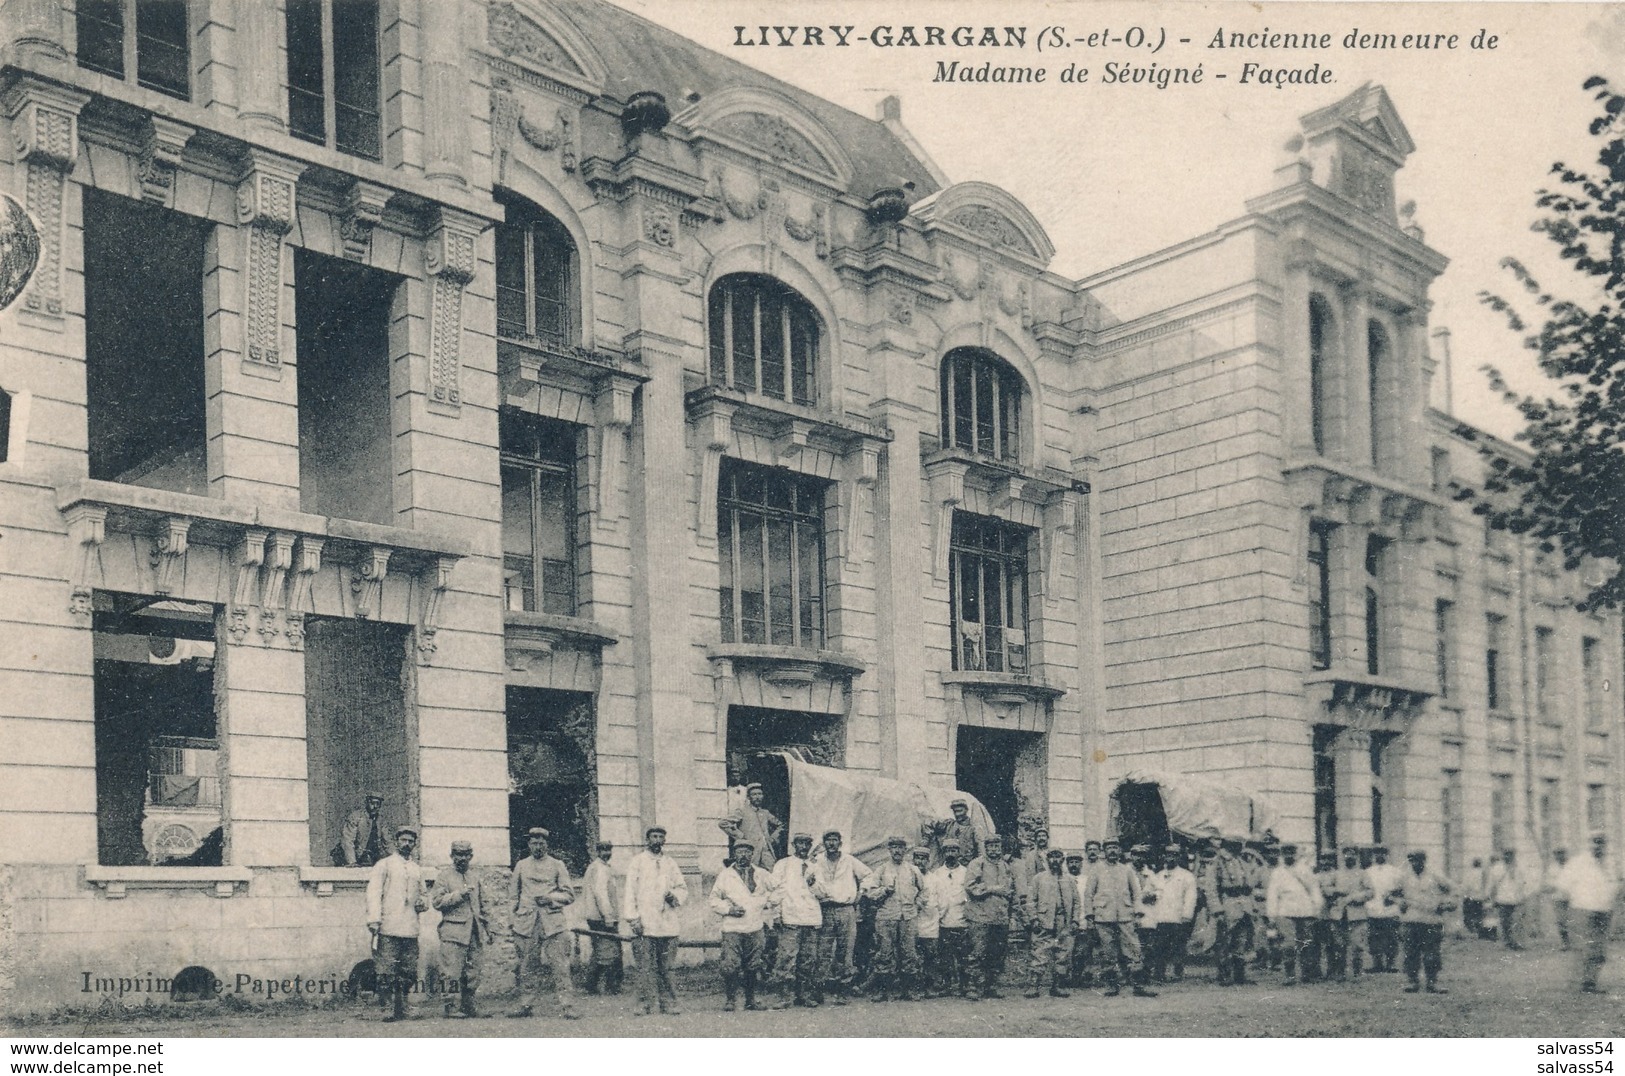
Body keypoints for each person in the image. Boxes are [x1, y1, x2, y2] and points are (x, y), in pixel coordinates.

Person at [507, 826, 577, 1020]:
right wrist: (512, 920)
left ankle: (567, 1005)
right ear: (529, 844)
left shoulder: (557, 865)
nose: (538, 846)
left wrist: (551, 898)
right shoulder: (521, 865)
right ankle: (525, 1004)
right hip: (527, 922)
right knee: (527, 966)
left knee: (560, 966)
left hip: (553, 922)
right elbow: (513, 896)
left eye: (541, 843)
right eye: (534, 842)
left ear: (547, 844)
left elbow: (569, 895)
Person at [365, 824, 428, 1022]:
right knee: (386, 970)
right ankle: (387, 1008)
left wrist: (422, 903)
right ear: (396, 842)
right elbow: (373, 893)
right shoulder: (384, 865)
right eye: (403, 840)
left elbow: (424, 895)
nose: (407, 844)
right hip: (388, 926)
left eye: (411, 841)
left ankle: (404, 1007)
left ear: (415, 844)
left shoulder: (417, 869)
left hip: (410, 928)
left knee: (408, 970)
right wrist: (374, 919)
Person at [623, 824, 688, 1015]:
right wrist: (633, 919)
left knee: (666, 967)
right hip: (644, 923)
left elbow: (682, 888)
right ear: (647, 839)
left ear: (664, 841)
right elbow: (629, 892)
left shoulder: (670, 863)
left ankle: (668, 1002)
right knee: (645, 967)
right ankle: (644, 1003)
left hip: (667, 924)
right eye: (654, 837)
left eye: (660, 837)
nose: (657, 841)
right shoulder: (638, 862)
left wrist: (674, 897)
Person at [1084, 839, 1155, 997]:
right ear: (1104, 851)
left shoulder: (1126, 870)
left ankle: (1138, 985)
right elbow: (1088, 894)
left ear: (1120, 850)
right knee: (1108, 953)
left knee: (1134, 950)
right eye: (1109, 848)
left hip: (1125, 916)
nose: (1112, 851)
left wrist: (1137, 914)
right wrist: (1090, 916)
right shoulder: (1096, 870)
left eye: (1115, 847)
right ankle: (1111, 985)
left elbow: (1136, 894)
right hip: (1103, 917)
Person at [710, 837, 772, 1011]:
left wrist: (766, 903)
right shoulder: (725, 875)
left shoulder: (762, 874)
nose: (743, 855)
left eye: (747, 851)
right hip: (733, 928)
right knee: (730, 965)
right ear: (734, 854)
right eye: (739, 851)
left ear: (752, 854)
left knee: (753, 964)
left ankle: (750, 1000)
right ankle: (730, 1000)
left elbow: (777, 890)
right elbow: (713, 899)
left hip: (755, 926)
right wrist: (728, 910)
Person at [809, 829, 871, 1004]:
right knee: (823, 951)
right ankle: (818, 990)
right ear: (824, 843)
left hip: (846, 910)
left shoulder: (849, 860)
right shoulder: (817, 861)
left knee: (845, 950)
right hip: (825, 909)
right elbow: (808, 877)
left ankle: (842, 990)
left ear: (840, 843)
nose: (831, 843)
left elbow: (868, 875)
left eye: (834, 840)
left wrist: (861, 893)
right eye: (828, 840)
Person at [431, 839, 489, 1018]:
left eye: (465, 855)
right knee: (451, 971)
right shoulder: (444, 876)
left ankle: (469, 1004)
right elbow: (437, 902)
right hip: (453, 931)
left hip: (474, 931)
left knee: (473, 971)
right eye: (458, 855)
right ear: (452, 856)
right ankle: (451, 1007)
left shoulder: (475, 876)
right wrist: (458, 895)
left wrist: (489, 928)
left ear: (471, 856)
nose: (462, 858)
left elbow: (484, 904)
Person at [1556, 835, 1621, 994]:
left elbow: (1616, 884)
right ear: (1588, 844)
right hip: (1582, 910)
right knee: (1583, 948)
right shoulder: (1578, 863)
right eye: (1595, 843)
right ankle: (1578, 982)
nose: (1598, 847)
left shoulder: (1610, 864)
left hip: (1604, 911)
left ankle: (1590, 982)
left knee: (1599, 949)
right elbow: (1562, 886)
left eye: (1601, 843)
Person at [864, 835, 926, 1001]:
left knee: (910, 954)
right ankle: (883, 990)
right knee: (884, 953)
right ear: (889, 850)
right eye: (894, 847)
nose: (897, 850)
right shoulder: (881, 870)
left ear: (905, 850)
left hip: (908, 917)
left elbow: (924, 891)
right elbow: (870, 893)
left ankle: (909, 990)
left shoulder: (913, 870)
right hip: (886, 917)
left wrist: (916, 905)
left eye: (900, 847)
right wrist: (884, 890)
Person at [767, 832, 822, 1008]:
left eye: (807, 843)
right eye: (800, 843)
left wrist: (813, 883)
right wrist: (775, 914)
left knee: (808, 959)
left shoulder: (817, 866)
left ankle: (803, 995)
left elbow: (823, 893)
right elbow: (774, 889)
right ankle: (784, 997)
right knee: (786, 959)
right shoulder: (783, 864)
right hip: (790, 917)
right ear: (794, 845)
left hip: (811, 918)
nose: (804, 847)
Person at [963, 833, 1015, 1000]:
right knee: (977, 953)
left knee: (997, 953)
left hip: (999, 917)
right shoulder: (977, 864)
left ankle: (991, 986)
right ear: (985, 848)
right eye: (991, 846)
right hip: (980, 916)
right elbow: (971, 887)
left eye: (997, 846)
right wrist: (993, 889)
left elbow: (1008, 890)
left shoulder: (1005, 866)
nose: (994, 849)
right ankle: (973, 987)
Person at [1396, 850, 1456, 994]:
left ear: (1424, 860)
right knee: (1410, 952)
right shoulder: (1404, 876)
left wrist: (1446, 904)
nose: (1415, 864)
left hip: (1431, 920)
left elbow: (1453, 890)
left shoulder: (1435, 875)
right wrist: (1400, 903)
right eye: (1412, 861)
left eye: (1418, 860)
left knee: (1432, 953)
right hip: (1411, 919)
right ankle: (1412, 981)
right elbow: (1393, 894)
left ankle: (1432, 982)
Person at [1265, 843, 1322, 985]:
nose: (1289, 855)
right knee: (1288, 945)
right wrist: (1271, 915)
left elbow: (1314, 889)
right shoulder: (1277, 872)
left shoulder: (1305, 870)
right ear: (1282, 855)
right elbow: (1272, 895)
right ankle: (1289, 975)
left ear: (1296, 854)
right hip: (1285, 912)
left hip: (1305, 911)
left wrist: (1317, 908)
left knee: (1305, 944)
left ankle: (1306, 974)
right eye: (1286, 853)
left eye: (1291, 852)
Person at [1024, 848, 1075, 998]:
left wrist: (1075, 921)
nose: (1055, 861)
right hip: (1043, 921)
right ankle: (1033, 986)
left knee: (1063, 954)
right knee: (1039, 953)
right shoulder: (1038, 878)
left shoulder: (1069, 880)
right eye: (1051, 857)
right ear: (1047, 860)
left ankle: (1057, 986)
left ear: (1062, 860)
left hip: (1063, 922)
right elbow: (1030, 901)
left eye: (1058, 857)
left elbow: (1077, 902)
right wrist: (1033, 919)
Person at [1323, 846, 1373, 980]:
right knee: (1339, 945)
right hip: (1339, 914)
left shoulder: (1363, 874)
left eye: (1352, 854)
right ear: (1343, 856)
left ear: (1356, 856)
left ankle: (1357, 972)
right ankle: (1340, 972)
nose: (1349, 857)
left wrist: (1357, 897)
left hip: (1357, 915)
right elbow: (1326, 889)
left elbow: (1370, 892)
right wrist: (1337, 891)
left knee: (1357, 945)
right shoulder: (1336, 873)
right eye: (1346, 854)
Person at [1148, 844, 1196, 983]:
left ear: (1179, 857)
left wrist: (1187, 915)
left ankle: (1177, 972)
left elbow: (1190, 897)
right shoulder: (1158, 875)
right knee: (1160, 946)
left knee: (1178, 945)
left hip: (1178, 916)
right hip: (1161, 916)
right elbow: (1151, 892)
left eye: (1174, 854)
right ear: (1164, 856)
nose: (1170, 857)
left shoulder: (1186, 876)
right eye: (1168, 854)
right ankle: (1159, 973)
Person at [581, 839, 623, 995]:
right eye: (603, 850)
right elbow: (601, 894)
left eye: (609, 850)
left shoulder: (604, 868)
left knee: (601, 951)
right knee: (610, 952)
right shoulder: (599, 868)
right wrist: (608, 916)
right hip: (601, 918)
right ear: (597, 852)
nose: (607, 853)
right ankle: (611, 986)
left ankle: (591, 984)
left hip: (599, 916)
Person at [930, 839, 972, 998]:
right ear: (943, 853)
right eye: (947, 851)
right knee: (945, 957)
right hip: (943, 921)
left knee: (963, 956)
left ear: (959, 852)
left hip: (961, 920)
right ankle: (946, 985)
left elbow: (969, 896)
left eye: (954, 850)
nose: (951, 854)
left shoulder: (966, 872)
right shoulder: (937, 874)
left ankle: (964, 986)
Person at [1212, 837, 1256, 986]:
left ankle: (1239, 975)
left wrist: (1252, 905)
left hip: (1244, 904)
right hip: (1228, 904)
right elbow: (1211, 889)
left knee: (1242, 940)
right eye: (1235, 844)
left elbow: (1249, 885)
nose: (1239, 847)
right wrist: (1217, 910)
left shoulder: (1242, 861)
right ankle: (1224, 974)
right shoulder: (1218, 862)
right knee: (1225, 941)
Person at [719, 782, 782, 869]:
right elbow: (723, 823)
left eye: (759, 794)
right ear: (749, 797)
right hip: (750, 850)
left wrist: (773, 838)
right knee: (750, 872)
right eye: (754, 794)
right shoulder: (742, 811)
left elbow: (780, 825)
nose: (757, 797)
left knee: (772, 873)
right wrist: (740, 836)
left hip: (766, 850)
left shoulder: (765, 813)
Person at [911, 846, 946, 997]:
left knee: (930, 956)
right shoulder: (908, 877)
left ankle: (930, 986)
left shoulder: (935, 879)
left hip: (931, 924)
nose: (920, 862)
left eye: (923, 859)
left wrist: (935, 916)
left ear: (928, 861)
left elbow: (943, 903)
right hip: (912, 923)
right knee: (913, 956)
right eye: (917, 858)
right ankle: (916, 987)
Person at [1365, 844, 1405, 970]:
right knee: (1374, 936)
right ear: (1373, 855)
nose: (1379, 855)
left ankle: (1391, 963)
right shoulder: (1368, 871)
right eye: (1376, 853)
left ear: (1387, 855)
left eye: (1382, 853)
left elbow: (1401, 889)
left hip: (1390, 909)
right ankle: (1377, 964)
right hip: (1373, 908)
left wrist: (1393, 896)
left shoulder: (1395, 871)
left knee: (1391, 936)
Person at [1490, 848, 1531, 951]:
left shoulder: (1520, 867)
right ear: (1503, 855)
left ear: (1514, 856)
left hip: (1517, 899)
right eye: (1506, 854)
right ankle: (1507, 942)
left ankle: (1518, 943)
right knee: (1505, 922)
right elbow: (1492, 884)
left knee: (1518, 922)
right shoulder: (1497, 868)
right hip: (1502, 899)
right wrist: (1492, 897)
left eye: (1510, 855)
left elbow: (1525, 882)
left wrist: (1524, 895)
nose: (1508, 857)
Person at [339, 793, 390, 867]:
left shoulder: (381, 820)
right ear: (367, 803)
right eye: (372, 803)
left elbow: (388, 841)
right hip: (355, 857)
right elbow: (347, 840)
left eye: (378, 804)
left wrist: (397, 860)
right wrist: (352, 861)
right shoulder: (356, 817)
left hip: (372, 857)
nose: (375, 806)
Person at [936, 799, 983, 863]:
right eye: (955, 811)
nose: (957, 814)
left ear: (966, 810)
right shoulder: (949, 824)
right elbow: (931, 824)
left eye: (960, 811)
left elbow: (981, 850)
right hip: (950, 863)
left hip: (968, 865)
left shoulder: (973, 828)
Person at [1543, 848, 1572, 951]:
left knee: (1573, 920)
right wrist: (1553, 886)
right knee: (1561, 921)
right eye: (1557, 854)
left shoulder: (1571, 866)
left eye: (1561, 853)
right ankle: (1565, 943)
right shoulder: (1552, 868)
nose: (1560, 856)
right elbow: (1548, 883)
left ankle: (1575, 942)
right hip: (1558, 897)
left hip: (1572, 898)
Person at [1460, 857, 1488, 939]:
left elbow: (1465, 886)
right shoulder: (1483, 873)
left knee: (1469, 915)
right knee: (1479, 914)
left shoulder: (1469, 873)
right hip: (1480, 897)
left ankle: (1471, 930)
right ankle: (1479, 930)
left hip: (1470, 896)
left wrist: (1464, 895)